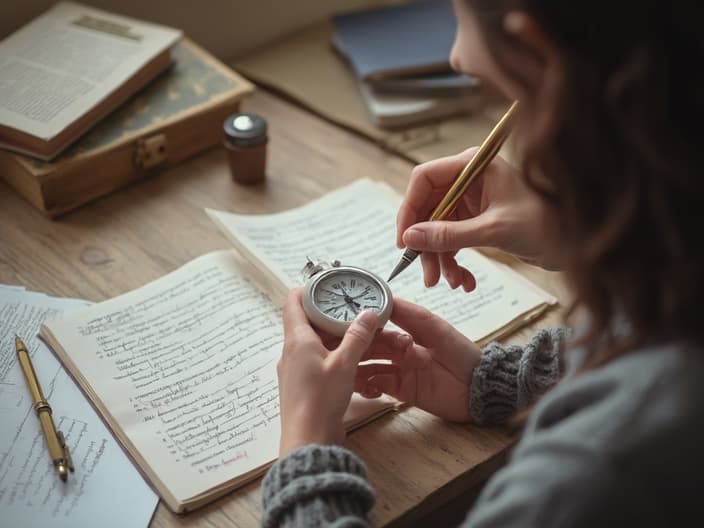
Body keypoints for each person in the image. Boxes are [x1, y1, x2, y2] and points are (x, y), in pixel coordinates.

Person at [261, 0, 704, 526]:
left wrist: (304, 452)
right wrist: (507, 380)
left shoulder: (588, 477)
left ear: (541, 56)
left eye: (459, 16)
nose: (453, 56)